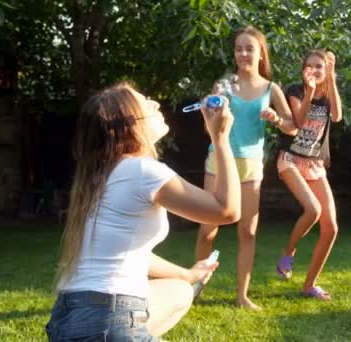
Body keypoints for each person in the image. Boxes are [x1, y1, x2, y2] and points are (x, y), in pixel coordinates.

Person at [45, 82, 241, 341]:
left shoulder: (98, 176)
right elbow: (227, 211)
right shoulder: (142, 172)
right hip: (106, 321)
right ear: (130, 124)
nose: (156, 104)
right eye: (147, 102)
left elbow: (133, 255)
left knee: (181, 290)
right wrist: (221, 139)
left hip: (67, 319)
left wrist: (189, 274)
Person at [195, 26, 297, 310]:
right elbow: (209, 126)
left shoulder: (270, 88)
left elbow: (292, 127)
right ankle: (197, 287)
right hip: (219, 159)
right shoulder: (224, 85)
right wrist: (210, 111)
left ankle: (242, 296)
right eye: (238, 48)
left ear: (260, 52)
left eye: (249, 48)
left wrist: (276, 118)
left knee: (248, 232)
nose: (243, 53)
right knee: (208, 231)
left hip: (251, 164)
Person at [274, 49, 343, 301]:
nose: (314, 70)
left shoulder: (329, 94)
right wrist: (311, 92)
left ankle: (309, 285)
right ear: (303, 69)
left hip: (314, 164)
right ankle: (288, 252)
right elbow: (298, 123)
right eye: (310, 65)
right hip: (291, 159)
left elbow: (337, 116)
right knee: (312, 210)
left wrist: (331, 78)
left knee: (331, 228)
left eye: (320, 66)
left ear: (326, 71)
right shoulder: (294, 90)